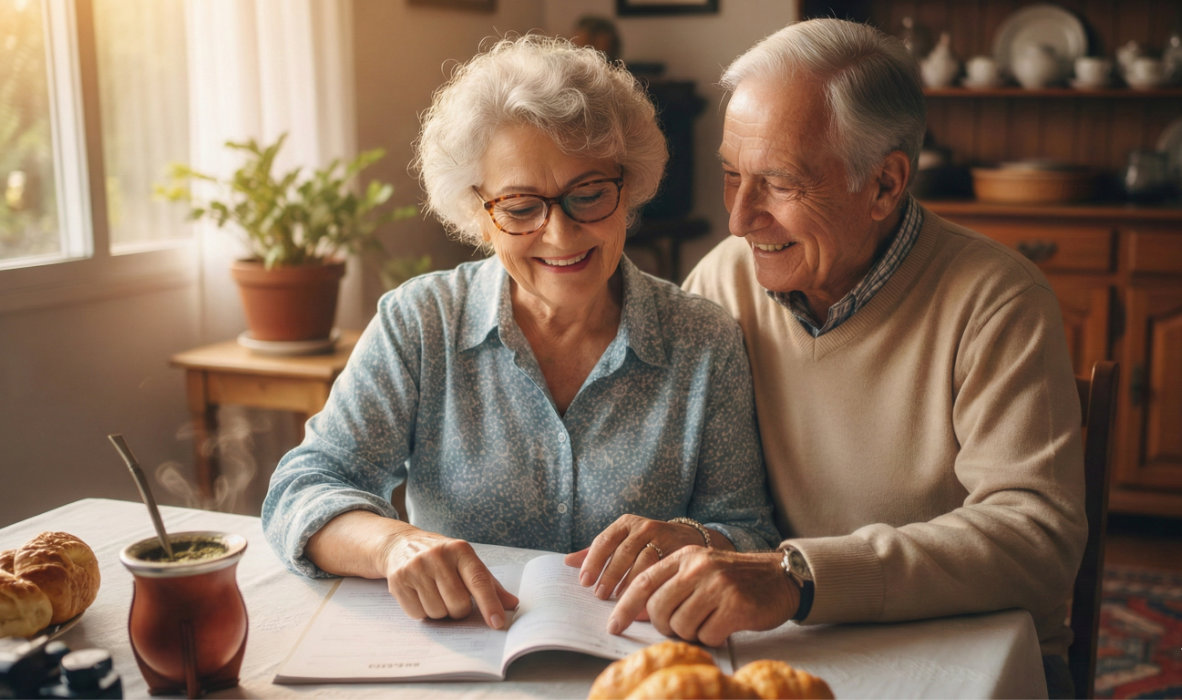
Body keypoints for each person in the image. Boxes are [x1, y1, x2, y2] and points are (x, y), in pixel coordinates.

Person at [581, 18, 1086, 696]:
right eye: (733, 176)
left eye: (779, 184)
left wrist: (796, 575)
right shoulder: (724, 280)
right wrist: (697, 536)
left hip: (965, 653)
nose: (740, 219)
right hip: (776, 646)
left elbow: (1037, 543)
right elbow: (700, 487)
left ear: (884, 185)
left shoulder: (997, 301)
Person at [262, 34, 778, 634]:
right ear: (479, 212)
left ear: (629, 186)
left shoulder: (704, 340)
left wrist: (691, 538)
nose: (560, 235)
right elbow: (304, 488)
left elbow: (750, 536)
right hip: (461, 660)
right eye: (521, 206)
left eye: (588, 195)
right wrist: (393, 546)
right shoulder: (421, 323)